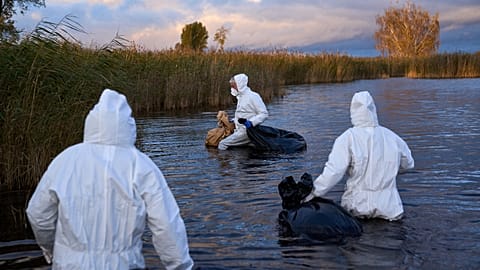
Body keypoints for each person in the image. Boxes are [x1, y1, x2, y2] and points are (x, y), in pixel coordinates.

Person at [26, 89, 194, 270]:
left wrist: (52, 249)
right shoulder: (141, 165)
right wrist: (181, 266)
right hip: (124, 264)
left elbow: (38, 214)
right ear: (128, 124)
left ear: (92, 122)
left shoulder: (65, 161)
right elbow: (166, 224)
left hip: (69, 264)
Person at [303, 91, 414, 221]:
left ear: (353, 111)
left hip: (358, 207)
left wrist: (312, 193)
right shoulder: (393, 137)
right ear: (373, 110)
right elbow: (409, 164)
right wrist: (388, 169)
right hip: (390, 208)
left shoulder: (347, 138)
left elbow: (334, 172)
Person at [218, 73, 269, 150]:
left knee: (222, 144)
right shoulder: (240, 97)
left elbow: (264, 114)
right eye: (231, 86)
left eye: (233, 86)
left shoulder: (253, 96)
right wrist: (233, 120)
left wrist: (251, 122)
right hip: (240, 130)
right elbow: (244, 114)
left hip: (247, 131)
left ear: (240, 84)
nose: (232, 88)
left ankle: (224, 160)